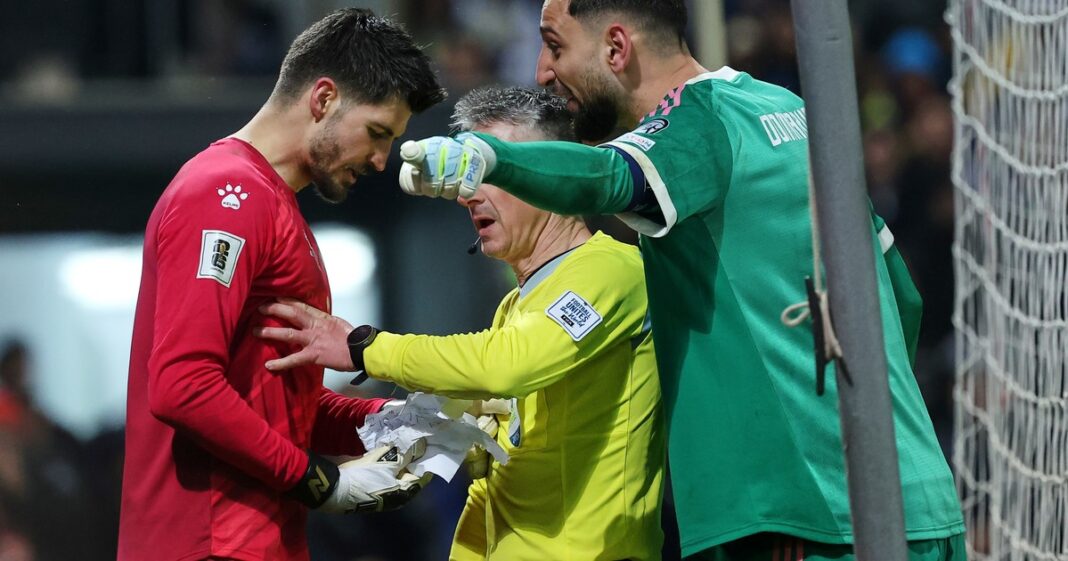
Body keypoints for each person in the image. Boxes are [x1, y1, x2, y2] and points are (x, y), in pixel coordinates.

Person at [395, 1, 966, 560]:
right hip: (911, 488)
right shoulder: (784, 110)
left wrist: (489, 158)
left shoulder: (697, 121)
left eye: (556, 46)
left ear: (616, 47)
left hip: (801, 517)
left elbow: (607, 177)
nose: (543, 72)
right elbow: (900, 296)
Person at [256, 86, 666, 561]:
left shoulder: (612, 270)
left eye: (491, 169)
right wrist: (435, 444)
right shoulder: (517, 305)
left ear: (550, 176)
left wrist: (363, 346)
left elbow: (507, 365)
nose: (467, 193)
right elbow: (519, 442)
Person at [118, 9, 446, 561]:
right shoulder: (224, 194)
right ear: (322, 99)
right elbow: (183, 384)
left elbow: (280, 406)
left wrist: (402, 422)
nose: (381, 160)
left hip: (255, 542)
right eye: (377, 133)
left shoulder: (271, 204)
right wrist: (318, 480)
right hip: (207, 544)